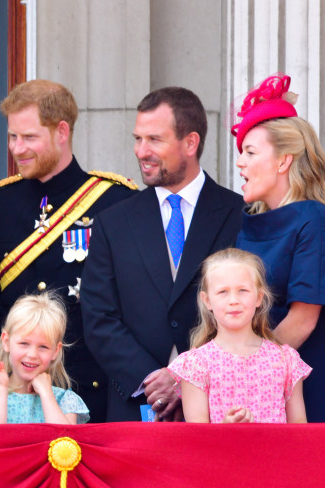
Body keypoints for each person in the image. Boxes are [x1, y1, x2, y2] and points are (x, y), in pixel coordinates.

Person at [0, 79, 137, 423]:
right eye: (12, 137)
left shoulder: (116, 200)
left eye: (29, 137)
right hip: (19, 389)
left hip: (91, 386)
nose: (17, 149)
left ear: (62, 132)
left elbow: (128, 302)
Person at [81, 86, 244, 422]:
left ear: (190, 143)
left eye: (154, 139)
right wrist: (151, 380)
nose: (142, 151)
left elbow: (249, 312)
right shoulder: (113, 222)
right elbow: (99, 318)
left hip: (222, 406)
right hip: (136, 405)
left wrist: (185, 375)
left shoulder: (240, 214)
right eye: (138, 139)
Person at [231, 73, 325, 422]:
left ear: (283, 161)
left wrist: (241, 372)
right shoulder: (250, 222)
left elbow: (302, 320)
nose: (240, 162)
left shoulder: (314, 219)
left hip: (307, 391)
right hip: (261, 391)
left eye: (250, 152)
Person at [167, 248, 310, 423]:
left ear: (259, 297)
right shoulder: (195, 365)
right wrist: (227, 430)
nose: (233, 300)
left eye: (242, 290)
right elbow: (197, 439)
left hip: (275, 451)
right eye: (223, 292)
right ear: (207, 301)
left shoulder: (286, 360)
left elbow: (300, 433)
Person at [0, 292, 89, 424]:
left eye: (43, 347)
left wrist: (46, 394)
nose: (32, 354)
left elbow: (65, 439)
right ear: (6, 342)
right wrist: (2, 388)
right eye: (24, 343)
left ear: (56, 351)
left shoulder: (65, 400)